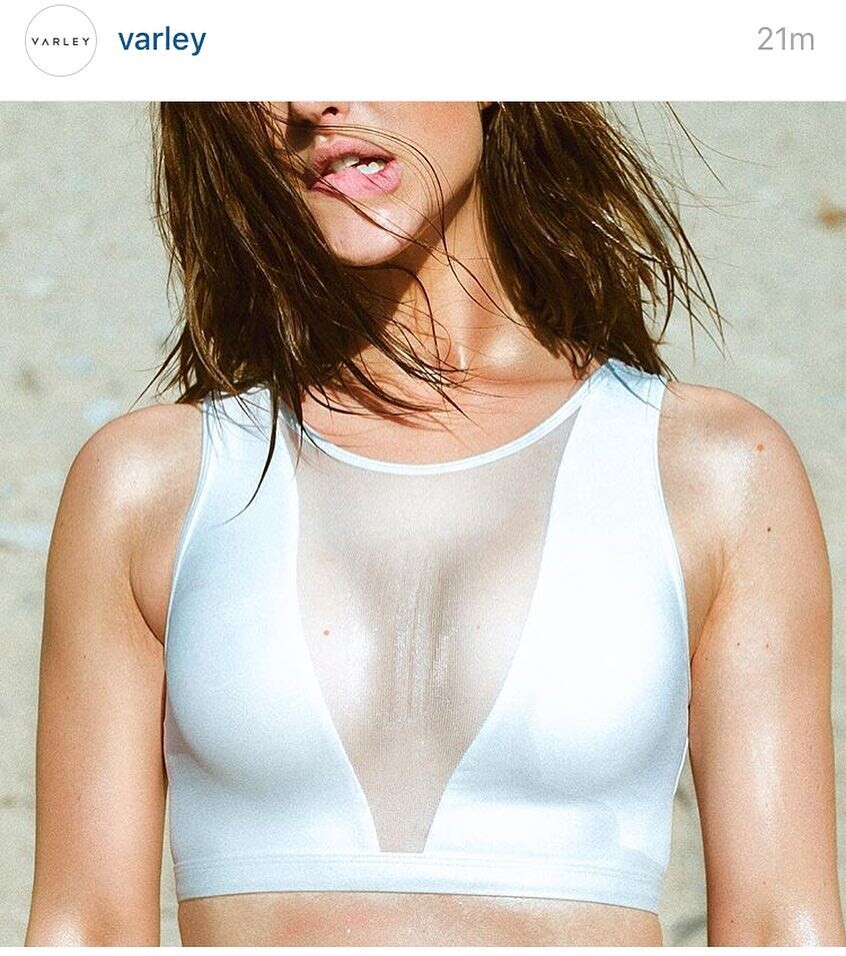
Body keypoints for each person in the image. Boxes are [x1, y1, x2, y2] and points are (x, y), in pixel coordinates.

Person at [25, 102, 845, 947]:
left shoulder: (713, 471)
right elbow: (86, 929)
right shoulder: (151, 486)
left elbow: (781, 931)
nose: (313, 98)